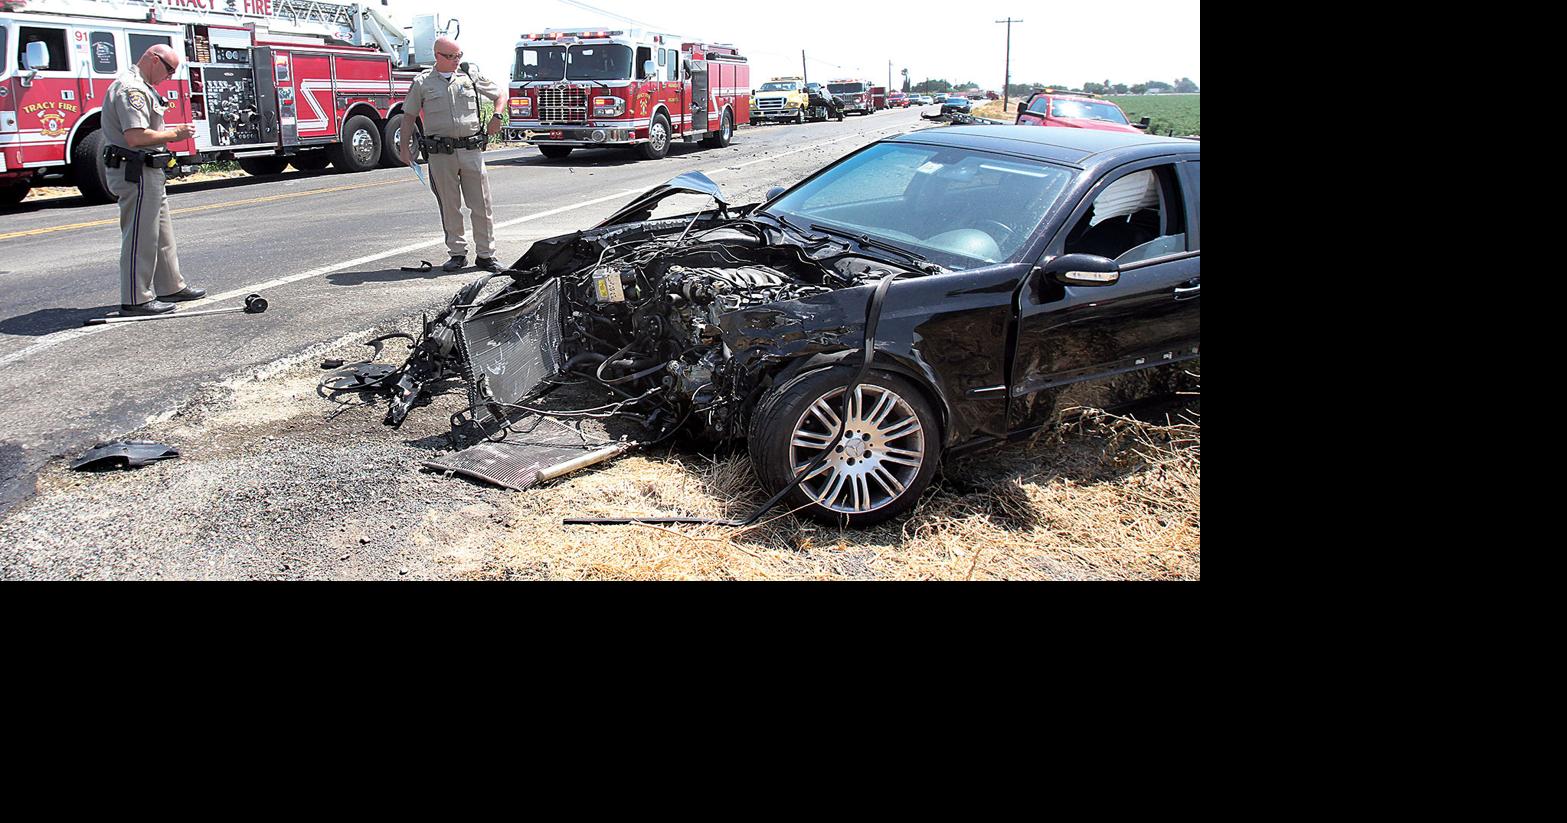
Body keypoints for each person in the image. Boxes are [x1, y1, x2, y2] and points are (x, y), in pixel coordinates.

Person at [102, 44, 204, 315]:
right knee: (140, 234)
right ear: (152, 59)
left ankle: (171, 285)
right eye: (169, 70)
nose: (170, 77)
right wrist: (175, 134)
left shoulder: (143, 87)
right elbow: (135, 136)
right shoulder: (131, 89)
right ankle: (136, 298)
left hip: (149, 169)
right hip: (136, 169)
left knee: (160, 233)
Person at [399, 37, 508, 273]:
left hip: (471, 150)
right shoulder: (423, 82)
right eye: (451, 57)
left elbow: (501, 95)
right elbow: (408, 116)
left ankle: (486, 255)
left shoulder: (470, 76)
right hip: (440, 154)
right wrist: (404, 148)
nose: (456, 61)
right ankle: (457, 254)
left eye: (459, 55)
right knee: (450, 205)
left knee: (481, 205)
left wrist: (497, 117)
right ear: (437, 56)